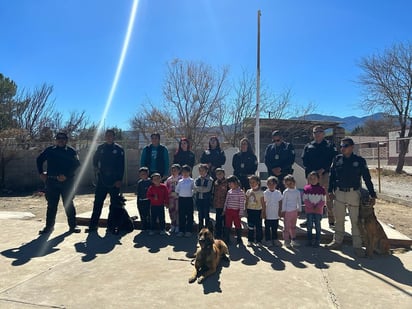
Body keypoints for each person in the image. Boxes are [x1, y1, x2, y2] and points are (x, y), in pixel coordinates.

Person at [325, 137, 377, 258]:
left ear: (352, 147)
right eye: (341, 146)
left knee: (355, 220)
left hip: (354, 193)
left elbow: (367, 178)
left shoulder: (359, 161)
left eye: (346, 146)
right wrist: (330, 191)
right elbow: (332, 176)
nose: (343, 148)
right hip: (339, 192)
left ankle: (357, 246)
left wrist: (372, 194)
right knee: (339, 219)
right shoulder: (337, 159)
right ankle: (337, 241)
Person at [36, 132, 81, 234]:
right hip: (51, 182)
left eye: (63, 138)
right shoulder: (49, 150)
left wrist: (66, 175)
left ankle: (73, 226)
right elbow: (39, 160)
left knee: (68, 204)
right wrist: (40, 173)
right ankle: (49, 227)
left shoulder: (71, 151)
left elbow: (76, 164)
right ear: (55, 140)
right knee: (51, 205)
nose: (61, 140)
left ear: (66, 140)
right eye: (58, 138)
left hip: (67, 182)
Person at [88, 129, 125, 232]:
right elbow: (94, 160)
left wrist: (119, 180)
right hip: (102, 180)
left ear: (114, 137)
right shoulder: (100, 148)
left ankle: (111, 226)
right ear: (105, 137)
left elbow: (121, 166)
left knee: (114, 204)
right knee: (98, 203)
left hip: (114, 181)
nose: (109, 137)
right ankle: (93, 225)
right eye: (107, 135)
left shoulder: (119, 149)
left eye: (111, 136)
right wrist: (96, 168)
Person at [302, 125, 338, 228]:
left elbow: (334, 159)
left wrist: (324, 169)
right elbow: (304, 160)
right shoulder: (308, 146)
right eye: (315, 132)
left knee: (328, 197)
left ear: (324, 133)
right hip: (312, 176)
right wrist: (313, 173)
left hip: (325, 174)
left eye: (319, 132)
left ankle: (331, 220)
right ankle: (309, 219)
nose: (317, 134)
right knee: (309, 197)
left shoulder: (329, 145)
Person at [302, 171, 326, 247]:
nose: (313, 180)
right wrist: (311, 206)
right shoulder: (306, 188)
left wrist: (318, 207)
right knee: (309, 226)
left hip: (318, 211)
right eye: (311, 178)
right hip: (309, 211)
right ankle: (309, 240)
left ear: (318, 179)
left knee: (317, 226)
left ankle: (317, 240)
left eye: (314, 178)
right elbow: (305, 199)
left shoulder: (322, 189)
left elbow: (323, 200)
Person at [223, 175, 245, 246]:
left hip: (236, 212)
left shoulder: (240, 192)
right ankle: (227, 238)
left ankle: (239, 238)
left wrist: (241, 213)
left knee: (237, 225)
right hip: (229, 211)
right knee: (228, 224)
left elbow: (242, 203)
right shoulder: (229, 192)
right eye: (228, 184)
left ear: (236, 183)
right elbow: (226, 201)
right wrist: (224, 210)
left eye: (230, 183)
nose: (229, 185)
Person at [281, 174, 302, 248]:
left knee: (293, 227)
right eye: (287, 184)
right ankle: (286, 241)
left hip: (294, 212)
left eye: (291, 183)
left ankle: (293, 239)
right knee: (286, 227)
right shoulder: (286, 192)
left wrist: (299, 209)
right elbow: (284, 202)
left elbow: (299, 201)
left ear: (294, 182)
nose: (289, 185)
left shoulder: (297, 192)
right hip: (287, 212)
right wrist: (283, 211)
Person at [263, 176, 283, 247]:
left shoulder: (278, 193)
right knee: (267, 228)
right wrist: (264, 213)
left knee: (275, 228)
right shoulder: (265, 193)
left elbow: (280, 202)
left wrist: (280, 211)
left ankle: (275, 239)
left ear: (276, 184)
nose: (271, 185)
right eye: (269, 184)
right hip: (268, 215)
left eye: (273, 184)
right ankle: (268, 240)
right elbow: (264, 204)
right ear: (267, 184)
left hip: (275, 215)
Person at [175, 165, 195, 237]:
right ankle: (181, 230)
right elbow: (177, 190)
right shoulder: (180, 181)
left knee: (189, 215)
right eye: (183, 172)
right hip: (181, 199)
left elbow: (194, 189)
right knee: (181, 215)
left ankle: (189, 230)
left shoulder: (192, 181)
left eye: (187, 172)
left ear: (189, 172)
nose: (185, 173)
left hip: (189, 199)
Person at [245, 175, 264, 246]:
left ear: (258, 182)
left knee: (258, 227)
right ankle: (250, 240)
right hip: (250, 211)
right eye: (250, 182)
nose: (252, 184)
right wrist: (245, 210)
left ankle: (259, 241)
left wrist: (263, 212)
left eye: (253, 182)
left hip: (258, 211)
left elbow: (263, 204)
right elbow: (246, 202)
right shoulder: (248, 191)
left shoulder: (261, 192)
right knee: (250, 227)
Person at [194, 164, 213, 231]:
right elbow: (195, 188)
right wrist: (202, 188)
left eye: (203, 170)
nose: (201, 172)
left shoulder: (210, 179)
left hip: (206, 200)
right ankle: (200, 228)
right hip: (199, 199)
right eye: (200, 170)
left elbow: (208, 189)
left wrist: (199, 189)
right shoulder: (197, 179)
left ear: (207, 171)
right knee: (200, 214)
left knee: (206, 214)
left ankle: (207, 229)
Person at [165, 164, 182, 233]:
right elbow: (166, 189)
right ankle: (173, 225)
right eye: (172, 170)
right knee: (171, 211)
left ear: (179, 170)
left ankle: (178, 225)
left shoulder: (181, 178)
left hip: (178, 198)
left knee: (178, 211)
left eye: (175, 170)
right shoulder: (169, 179)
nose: (173, 171)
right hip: (171, 198)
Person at [212, 168, 228, 239]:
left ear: (224, 174)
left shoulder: (227, 182)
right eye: (217, 174)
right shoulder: (215, 182)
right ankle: (218, 234)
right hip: (217, 204)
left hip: (225, 204)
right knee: (218, 220)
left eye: (220, 174)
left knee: (225, 220)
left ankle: (225, 235)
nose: (219, 175)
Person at [136, 167, 151, 231]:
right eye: (141, 174)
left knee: (148, 214)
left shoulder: (150, 182)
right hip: (141, 200)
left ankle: (149, 226)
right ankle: (143, 225)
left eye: (144, 174)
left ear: (147, 174)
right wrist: (138, 201)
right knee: (142, 214)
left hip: (148, 200)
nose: (143, 175)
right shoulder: (139, 183)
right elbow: (138, 192)